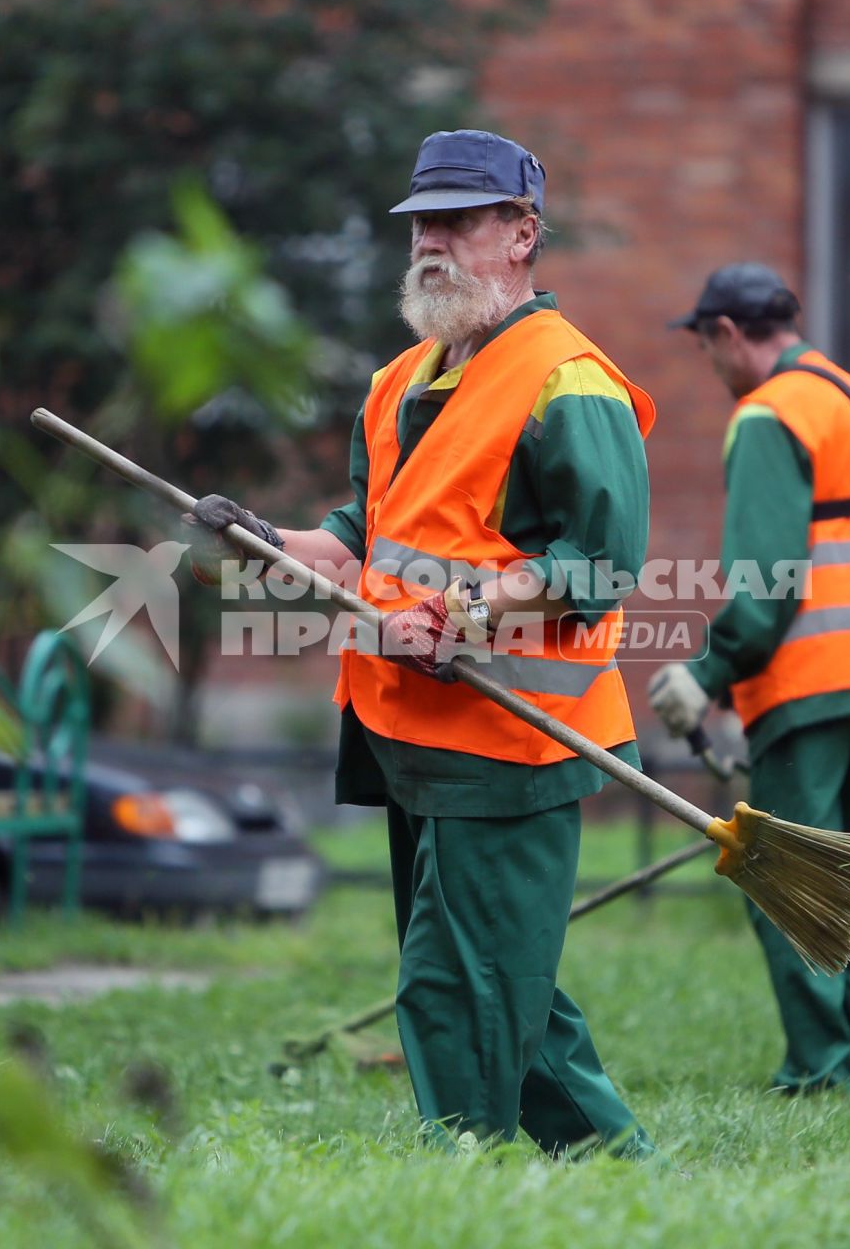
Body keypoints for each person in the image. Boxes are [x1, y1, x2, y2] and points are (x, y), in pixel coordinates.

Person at [190, 130, 659, 1157]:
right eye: (422, 225)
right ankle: (622, 1178)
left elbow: (597, 564)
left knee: (459, 980)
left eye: (458, 221)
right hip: (410, 730)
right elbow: (360, 538)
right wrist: (266, 540)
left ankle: (466, 1170)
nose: (431, 244)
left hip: (512, 735)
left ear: (522, 233)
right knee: (498, 975)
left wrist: (459, 620)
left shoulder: (566, 380)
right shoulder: (399, 380)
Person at [647, 262, 850, 1095]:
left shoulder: (765, 416)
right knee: (842, 874)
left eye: (705, 348)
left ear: (725, 333)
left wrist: (707, 669)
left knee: (786, 875)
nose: (711, 370)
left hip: (816, 672)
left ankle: (823, 1069)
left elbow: (767, 578)